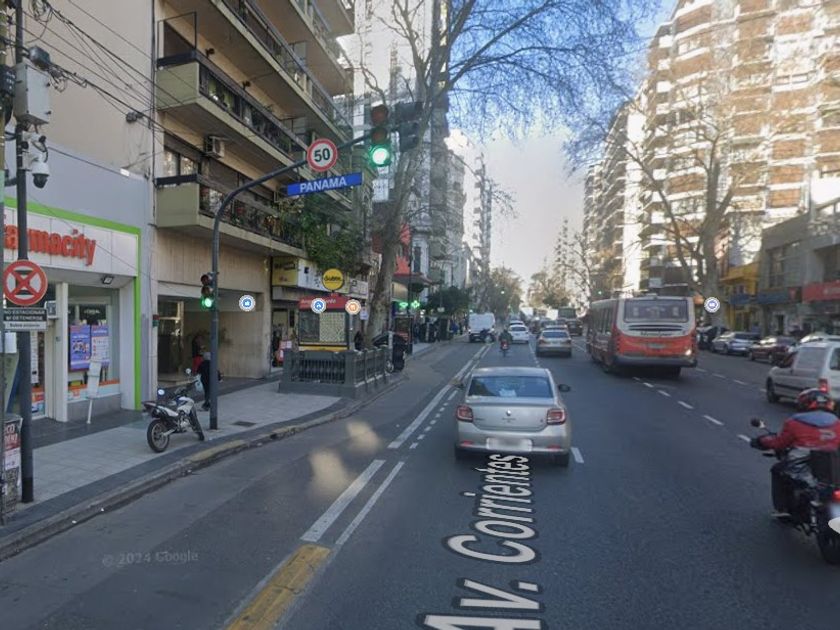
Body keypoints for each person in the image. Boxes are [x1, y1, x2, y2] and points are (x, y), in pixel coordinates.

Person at [750, 388, 840, 517]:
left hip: (801, 464)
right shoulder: (837, 422)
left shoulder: (794, 422)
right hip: (832, 467)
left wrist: (761, 441)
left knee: (777, 470)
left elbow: (780, 443)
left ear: (804, 403)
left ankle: (783, 509)